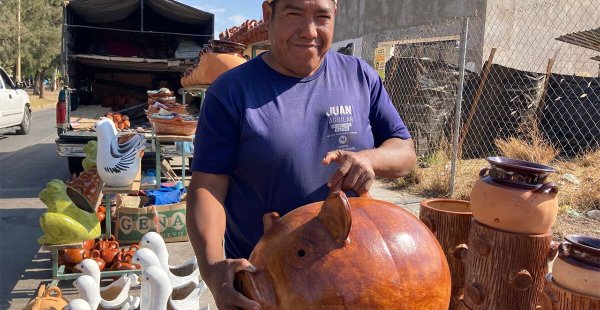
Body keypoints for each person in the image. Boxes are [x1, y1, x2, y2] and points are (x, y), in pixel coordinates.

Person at [186, 0, 417, 309]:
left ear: (334, 16)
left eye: (321, 17)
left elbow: (405, 152)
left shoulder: (360, 77)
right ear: (269, 15)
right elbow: (207, 187)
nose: (309, 31)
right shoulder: (231, 92)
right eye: (294, 13)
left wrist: (370, 159)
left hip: (356, 279)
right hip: (267, 287)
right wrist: (213, 268)